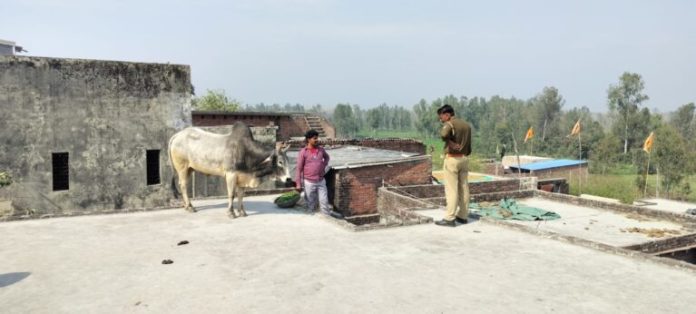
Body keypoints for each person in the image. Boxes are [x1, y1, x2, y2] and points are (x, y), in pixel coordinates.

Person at [435, 104, 472, 227]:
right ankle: (463, 216)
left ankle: (450, 218)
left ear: (447, 114)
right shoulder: (466, 125)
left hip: (452, 159)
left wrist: (449, 141)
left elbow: (443, 134)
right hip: (464, 159)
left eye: (441, 117)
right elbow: (469, 147)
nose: (441, 120)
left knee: (451, 189)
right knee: (464, 188)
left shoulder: (450, 124)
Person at [295, 129, 343, 219]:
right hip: (308, 182)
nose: (317, 140)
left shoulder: (321, 150)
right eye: (315, 138)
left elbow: (327, 157)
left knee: (324, 201)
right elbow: (299, 169)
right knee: (310, 203)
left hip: (321, 180)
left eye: (317, 138)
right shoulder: (303, 152)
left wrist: (323, 165)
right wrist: (298, 184)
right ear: (308, 139)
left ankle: (328, 220)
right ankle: (311, 220)